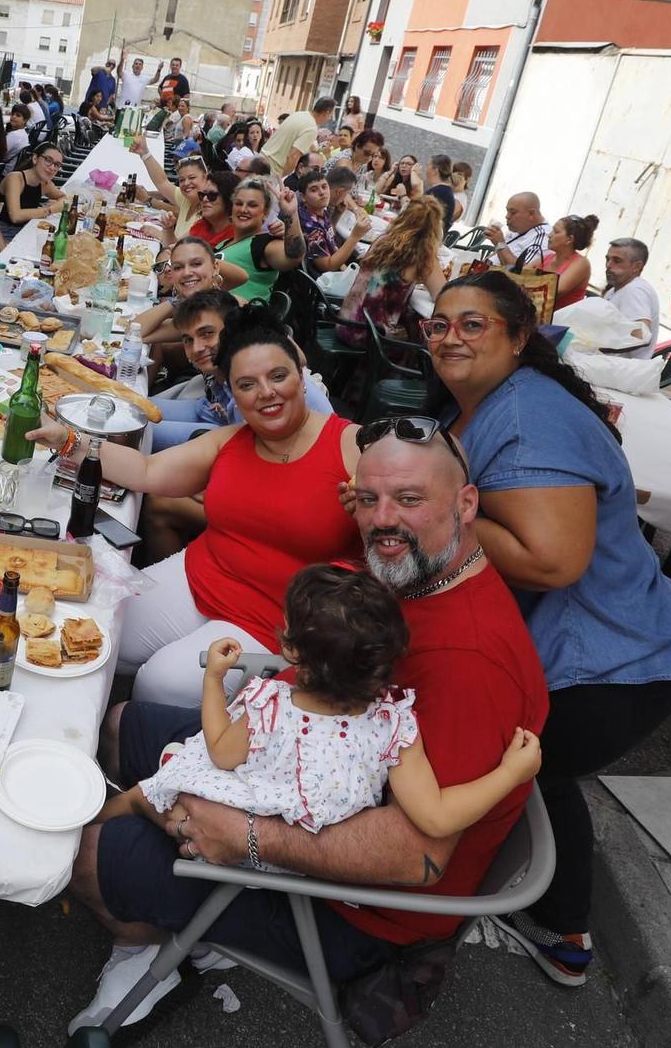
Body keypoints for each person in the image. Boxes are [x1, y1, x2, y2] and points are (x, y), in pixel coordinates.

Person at [68, 426, 549, 1032]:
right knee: (122, 725)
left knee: (88, 854)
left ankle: (149, 956)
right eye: (369, 500)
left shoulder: (470, 664)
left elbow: (418, 857)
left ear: (466, 504)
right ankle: (170, 920)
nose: (384, 521)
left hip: (361, 913)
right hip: (320, 780)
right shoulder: (415, 573)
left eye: (408, 498)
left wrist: (245, 835)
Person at [428, 271, 671, 985]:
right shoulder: (496, 400)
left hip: (613, 663)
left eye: (473, 323)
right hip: (618, 648)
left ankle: (554, 926)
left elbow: (550, 559)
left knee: (522, 766)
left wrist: (427, 508)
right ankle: (546, 909)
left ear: (520, 338)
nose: (450, 334)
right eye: (440, 323)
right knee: (538, 772)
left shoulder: (525, 415)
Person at [26, 303, 362, 705]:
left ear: (302, 378)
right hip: (201, 575)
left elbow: (412, 533)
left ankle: (137, 741)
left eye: (278, 376)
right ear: (233, 392)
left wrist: (374, 510)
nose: (266, 393)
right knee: (99, 635)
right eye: (247, 384)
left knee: (159, 682)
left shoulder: (354, 446)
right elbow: (147, 471)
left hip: (277, 621)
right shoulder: (233, 439)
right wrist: (68, 440)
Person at [96, 568, 543, 858]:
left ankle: (89, 828)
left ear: (291, 652)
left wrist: (214, 679)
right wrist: (510, 772)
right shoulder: (395, 725)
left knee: (148, 789)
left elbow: (220, 753)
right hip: (302, 864)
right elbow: (437, 817)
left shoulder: (270, 705)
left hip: (237, 835)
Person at [148, 288, 329, 452]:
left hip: (285, 455)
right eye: (188, 340)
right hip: (220, 416)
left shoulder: (256, 368)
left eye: (207, 333)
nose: (196, 348)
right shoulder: (228, 370)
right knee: (130, 410)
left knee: (137, 429)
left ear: (231, 328)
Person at [335, 195, 449, 348]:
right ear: (435, 226)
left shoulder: (383, 240)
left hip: (346, 322)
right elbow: (443, 295)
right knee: (422, 336)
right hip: (372, 336)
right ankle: (398, 371)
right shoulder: (423, 254)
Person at [134, 236, 248, 353]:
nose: (186, 273)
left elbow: (243, 276)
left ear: (215, 267)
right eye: (178, 267)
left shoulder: (233, 308)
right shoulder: (192, 314)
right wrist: (178, 300)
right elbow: (136, 332)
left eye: (196, 264)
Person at [221, 178, 307, 303]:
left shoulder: (264, 243)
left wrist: (291, 213)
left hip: (242, 318)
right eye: (238, 203)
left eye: (252, 205)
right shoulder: (222, 244)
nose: (243, 209)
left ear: (265, 213)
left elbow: (294, 256)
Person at [295, 164, 368, 276]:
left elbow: (329, 239)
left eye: (324, 187)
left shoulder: (319, 210)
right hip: (322, 283)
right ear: (303, 197)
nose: (322, 192)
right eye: (314, 190)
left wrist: (337, 215)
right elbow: (328, 266)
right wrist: (355, 236)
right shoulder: (310, 225)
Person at [0, 141, 66, 240]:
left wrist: (55, 205)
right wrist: (49, 210)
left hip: (24, 230)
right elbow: (15, 216)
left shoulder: (45, 183)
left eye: (57, 165)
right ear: (35, 159)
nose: (52, 167)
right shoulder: (16, 179)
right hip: (0, 235)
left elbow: (64, 198)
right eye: (48, 160)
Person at [601, 237, 662, 358]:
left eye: (617, 261)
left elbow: (641, 336)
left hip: (619, 368)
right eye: (607, 259)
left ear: (636, 266)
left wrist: (598, 346)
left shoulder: (635, 291)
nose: (608, 265)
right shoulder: (614, 290)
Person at [260, 95, 334, 177]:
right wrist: (280, 178)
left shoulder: (299, 114)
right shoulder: (311, 128)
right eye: (331, 115)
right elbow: (293, 156)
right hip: (272, 169)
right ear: (327, 112)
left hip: (260, 159)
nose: (330, 119)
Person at [536, 214, 599, 308]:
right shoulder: (548, 257)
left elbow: (554, 291)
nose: (549, 235)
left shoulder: (581, 263)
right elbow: (519, 273)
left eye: (556, 231)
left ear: (569, 239)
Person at [485, 190, 549, 270]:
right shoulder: (519, 229)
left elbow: (522, 272)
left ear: (531, 214)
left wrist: (500, 243)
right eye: (507, 211)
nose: (507, 216)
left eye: (513, 212)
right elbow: (497, 257)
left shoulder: (542, 238)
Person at [186, 171, 238, 250]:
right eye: (202, 195)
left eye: (212, 195)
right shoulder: (200, 225)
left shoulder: (236, 235)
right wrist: (168, 229)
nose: (205, 199)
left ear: (228, 198)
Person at [423, 154, 459, 226]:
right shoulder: (445, 191)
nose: (425, 169)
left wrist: (403, 196)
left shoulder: (438, 192)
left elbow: (416, 216)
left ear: (435, 170)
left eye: (427, 166)